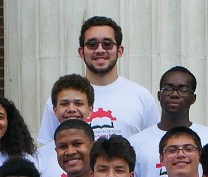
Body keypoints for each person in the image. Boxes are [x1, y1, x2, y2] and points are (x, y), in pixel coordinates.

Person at [38, 16, 157, 146]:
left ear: (120, 51)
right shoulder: (61, 100)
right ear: (81, 52)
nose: (100, 50)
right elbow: (48, 153)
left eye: (107, 44)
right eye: (92, 44)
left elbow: (152, 148)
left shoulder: (142, 97)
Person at [128, 67, 208, 177]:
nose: (174, 94)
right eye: (168, 89)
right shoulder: (135, 143)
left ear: (193, 98)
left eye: (183, 89)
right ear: (159, 95)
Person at [39, 74, 96, 177]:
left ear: (90, 109)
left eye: (78, 103)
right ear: (55, 110)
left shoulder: (105, 151)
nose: (71, 109)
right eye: (64, 104)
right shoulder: (39, 157)